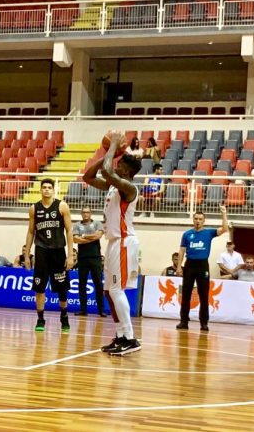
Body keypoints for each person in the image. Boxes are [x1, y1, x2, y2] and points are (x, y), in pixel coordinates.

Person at [83, 131, 143, 356]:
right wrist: (109, 154)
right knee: (109, 291)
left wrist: (112, 147)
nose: (116, 165)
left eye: (120, 164)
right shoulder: (112, 186)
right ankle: (120, 336)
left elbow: (108, 171)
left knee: (117, 290)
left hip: (125, 242)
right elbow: (88, 177)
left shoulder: (129, 188)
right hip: (113, 243)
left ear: (126, 171)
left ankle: (131, 338)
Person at [24, 178, 75, 333]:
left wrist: (70, 255)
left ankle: (64, 316)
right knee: (39, 287)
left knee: (62, 287)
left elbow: (69, 231)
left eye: (49, 187)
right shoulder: (34, 208)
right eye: (44, 187)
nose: (46, 189)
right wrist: (27, 255)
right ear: (40, 190)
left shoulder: (62, 206)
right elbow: (31, 232)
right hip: (41, 251)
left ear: (53, 190)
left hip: (58, 250)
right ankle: (40, 319)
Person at [175, 207, 230, 332]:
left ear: (204, 221)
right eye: (196, 219)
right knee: (186, 294)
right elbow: (182, 250)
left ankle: (204, 323)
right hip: (189, 265)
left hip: (202, 265)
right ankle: (184, 321)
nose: (198, 221)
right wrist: (179, 267)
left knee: (204, 295)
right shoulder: (187, 234)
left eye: (200, 219)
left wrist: (223, 213)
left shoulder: (209, 233)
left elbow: (225, 229)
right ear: (193, 220)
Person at [72, 206, 106, 317]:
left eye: (87, 212)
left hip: (95, 258)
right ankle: (83, 310)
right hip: (82, 259)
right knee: (82, 284)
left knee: (98, 284)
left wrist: (83, 236)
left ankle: (101, 310)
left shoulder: (97, 223)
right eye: (84, 212)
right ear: (81, 214)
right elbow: (75, 239)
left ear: (91, 213)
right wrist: (91, 237)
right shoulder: (77, 225)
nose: (86, 214)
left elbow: (98, 236)